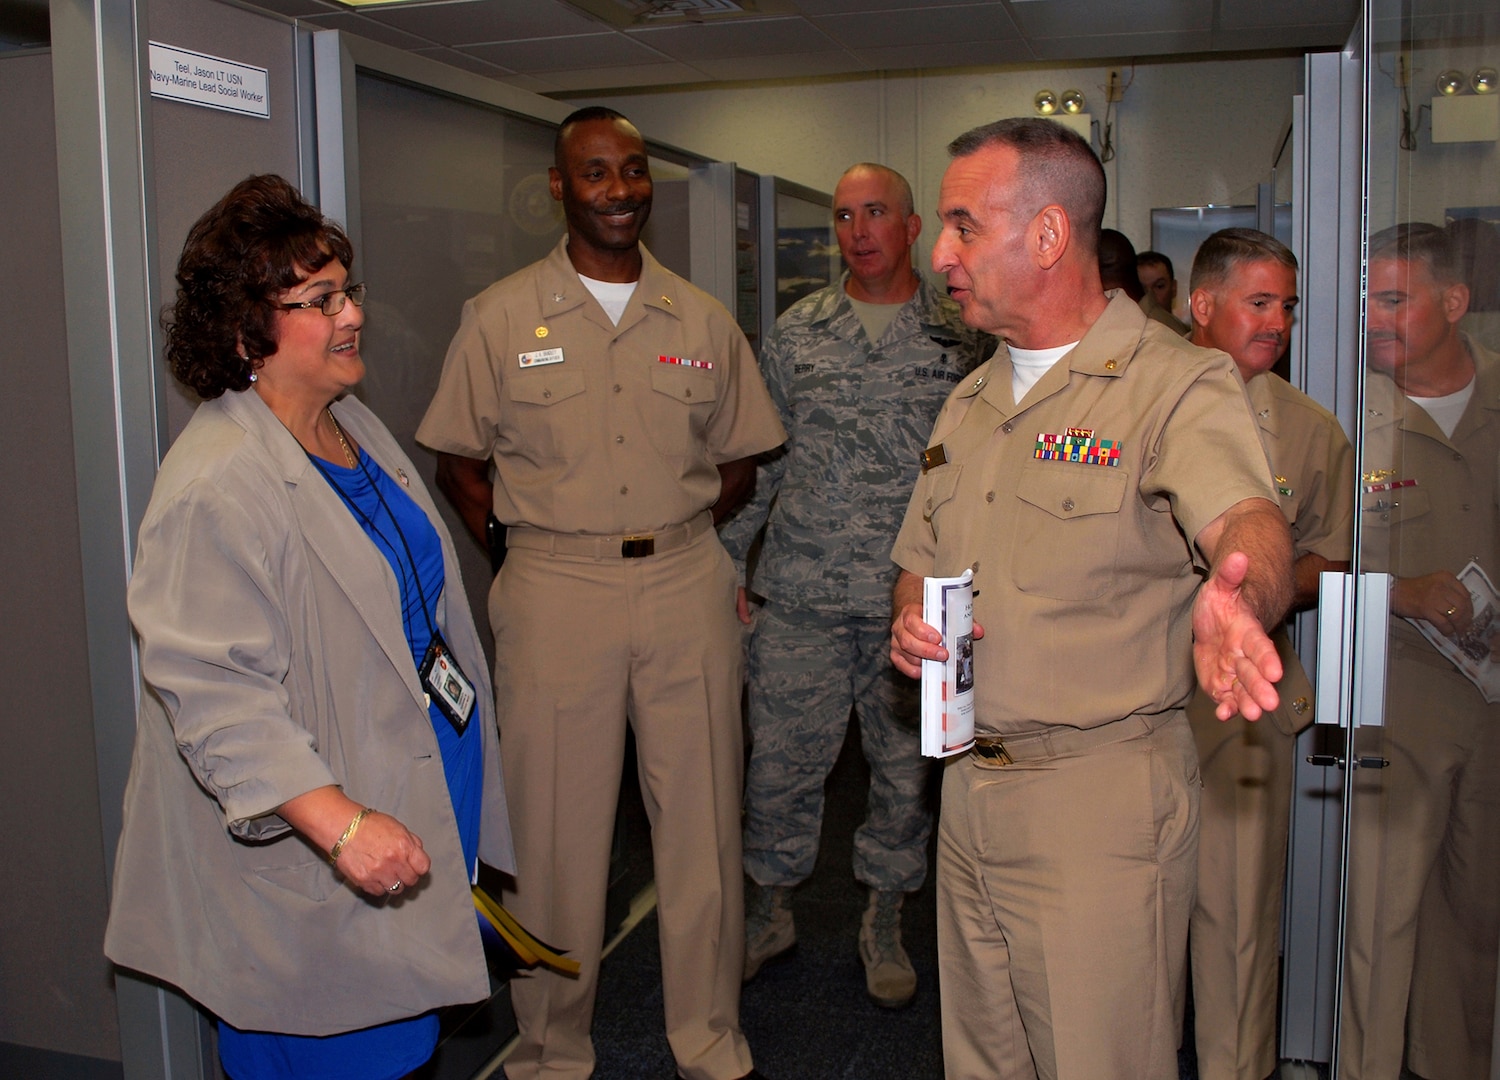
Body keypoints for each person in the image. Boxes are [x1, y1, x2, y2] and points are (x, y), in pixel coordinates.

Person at [889, 118, 1294, 1080]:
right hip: (969, 787)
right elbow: (921, 554)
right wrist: (911, 613)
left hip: (1098, 803)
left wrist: (1244, 600)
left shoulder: (1172, 383)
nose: (938, 253)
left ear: (1047, 236)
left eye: (961, 225)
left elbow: (1249, 525)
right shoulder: (970, 398)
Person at [103, 175, 514, 1080]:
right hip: (318, 845)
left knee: (404, 1052)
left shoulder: (347, 421)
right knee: (342, 1054)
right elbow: (213, 694)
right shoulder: (218, 479)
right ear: (249, 331)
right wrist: (338, 826)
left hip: (405, 799)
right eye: (320, 300)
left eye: (348, 290)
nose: (351, 314)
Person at [416, 107, 784, 1080]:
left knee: (702, 827)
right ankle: (549, 1047)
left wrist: (690, 526)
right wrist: (514, 548)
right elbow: (458, 456)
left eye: (631, 171)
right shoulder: (498, 318)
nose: (618, 190)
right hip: (554, 590)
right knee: (552, 837)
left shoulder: (702, 320)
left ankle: (709, 1037)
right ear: (558, 186)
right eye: (594, 173)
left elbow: (742, 456)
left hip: (683, 584)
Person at [718, 163, 991, 1008]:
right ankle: (771, 908)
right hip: (799, 592)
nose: (858, 229)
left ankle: (883, 918)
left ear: (912, 227)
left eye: (876, 212)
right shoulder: (797, 333)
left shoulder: (964, 336)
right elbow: (764, 462)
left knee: (904, 775)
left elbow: (983, 474)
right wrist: (732, 563)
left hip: (911, 609)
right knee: (779, 771)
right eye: (843, 215)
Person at [1183, 228, 1354, 1080]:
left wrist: (1267, 588)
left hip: (1241, 707)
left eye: (1287, 306)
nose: (1279, 321)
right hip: (1128, 698)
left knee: (1240, 927)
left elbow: (1334, 553)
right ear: (1201, 304)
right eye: (1260, 302)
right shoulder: (1137, 398)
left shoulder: (1308, 431)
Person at [1341, 222, 1500, 1080]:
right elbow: (1311, 562)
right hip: (1395, 693)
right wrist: (1402, 593)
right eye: (1367, 301)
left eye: (1394, 299)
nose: (1374, 319)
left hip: (1494, 704)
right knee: (1381, 920)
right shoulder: (1349, 413)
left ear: (1454, 302)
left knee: (1476, 919)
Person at [1139, 249, 1192, 335]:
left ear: (1174, 288)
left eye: (1159, 286)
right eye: (1141, 288)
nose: (1149, 297)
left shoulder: (1190, 340)